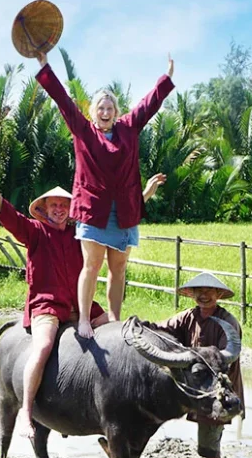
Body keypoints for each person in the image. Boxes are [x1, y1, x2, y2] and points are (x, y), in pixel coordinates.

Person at [34, 50, 176, 339]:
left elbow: (148, 105)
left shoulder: (128, 129)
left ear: (116, 111)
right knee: (92, 265)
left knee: (119, 268)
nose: (106, 111)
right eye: (101, 107)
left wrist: (166, 79)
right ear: (93, 112)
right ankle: (84, 319)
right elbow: (63, 100)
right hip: (93, 211)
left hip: (123, 212)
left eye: (110, 107)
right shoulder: (84, 131)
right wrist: (44, 67)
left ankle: (114, 319)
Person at [0, 171, 109, 435]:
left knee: (113, 328)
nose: (59, 210)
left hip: (81, 307)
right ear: (45, 209)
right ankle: (26, 412)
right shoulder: (35, 231)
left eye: (63, 205)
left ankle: (106, 417)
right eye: (54, 205)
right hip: (46, 306)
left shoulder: (78, 236)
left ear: (70, 209)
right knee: (44, 345)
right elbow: (12, 220)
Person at [140, 272, 245, 458]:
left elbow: (225, 360)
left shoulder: (228, 322)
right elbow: (162, 332)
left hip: (217, 390)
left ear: (218, 294)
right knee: (149, 415)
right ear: (192, 294)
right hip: (192, 387)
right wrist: (142, 329)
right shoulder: (187, 317)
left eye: (209, 292)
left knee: (209, 444)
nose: (204, 296)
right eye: (199, 291)